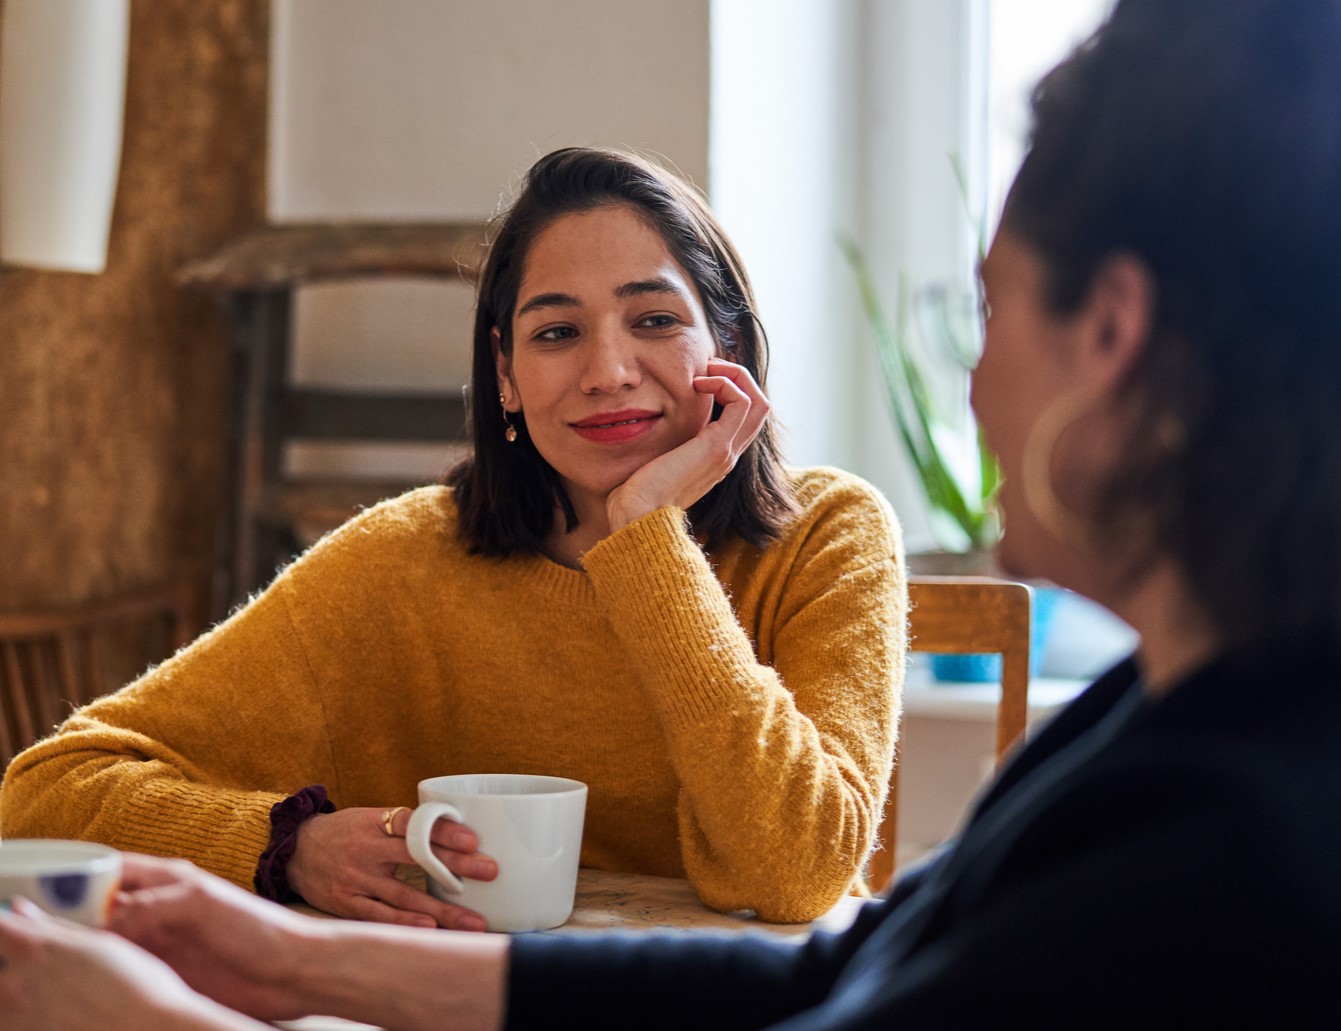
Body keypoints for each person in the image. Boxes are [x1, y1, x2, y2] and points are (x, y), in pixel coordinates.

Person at [6, 0, 1341, 1031]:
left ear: (1113, 334)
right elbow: (840, 974)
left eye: (985, 310)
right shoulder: (1278, 706)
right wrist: (287, 951)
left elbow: (797, 916)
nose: (967, 380)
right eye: (552, 331)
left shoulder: (1259, 846)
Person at [0, 147, 907, 929]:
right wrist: (287, 845)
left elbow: (795, 872)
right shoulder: (398, 563)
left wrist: (647, 540)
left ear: (730, 344)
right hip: (459, 1028)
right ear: (506, 377)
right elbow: (45, 792)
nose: (607, 371)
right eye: (557, 332)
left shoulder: (831, 534)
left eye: (655, 320)